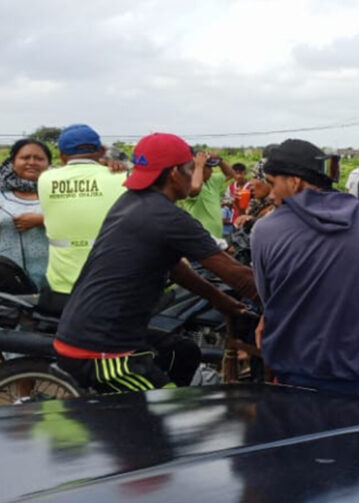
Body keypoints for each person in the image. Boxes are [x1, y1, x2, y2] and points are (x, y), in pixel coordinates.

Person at [53, 133, 257, 394]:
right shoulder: (168, 217)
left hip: (94, 331)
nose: (192, 176)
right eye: (189, 169)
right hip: (102, 352)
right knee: (169, 411)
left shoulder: (130, 202)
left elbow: (176, 268)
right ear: (174, 173)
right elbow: (236, 275)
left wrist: (221, 300)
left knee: (183, 352)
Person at [252, 139, 359, 397]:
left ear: (294, 182)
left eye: (273, 183)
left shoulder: (264, 230)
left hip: (293, 377)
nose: (271, 194)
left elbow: (269, 299)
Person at [36, 124, 126, 313]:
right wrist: (119, 162)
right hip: (109, 286)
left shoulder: (45, 180)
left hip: (62, 287)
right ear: (101, 151)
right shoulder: (121, 177)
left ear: (61, 155)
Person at [0, 139, 52, 289]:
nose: (32, 162)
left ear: (48, 163)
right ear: (13, 162)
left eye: (39, 158)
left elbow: (79, 221)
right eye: (25, 157)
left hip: (51, 284)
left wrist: (43, 221)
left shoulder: (60, 192)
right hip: (5, 282)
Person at [178, 150, 236, 239]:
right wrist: (199, 165)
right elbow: (195, 189)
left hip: (216, 237)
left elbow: (231, 174)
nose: (212, 171)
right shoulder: (189, 183)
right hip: (200, 238)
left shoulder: (212, 180)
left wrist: (220, 160)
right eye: (208, 167)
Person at [228, 160, 275, 266]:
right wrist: (240, 208)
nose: (251, 182)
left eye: (256, 177)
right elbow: (245, 232)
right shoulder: (257, 204)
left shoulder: (279, 207)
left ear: (270, 181)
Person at [225, 162, 252, 229]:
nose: (238, 176)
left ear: (245, 173)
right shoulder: (230, 187)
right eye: (236, 174)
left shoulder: (251, 186)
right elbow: (228, 202)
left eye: (240, 173)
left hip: (248, 218)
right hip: (235, 219)